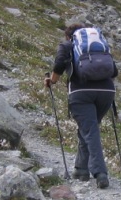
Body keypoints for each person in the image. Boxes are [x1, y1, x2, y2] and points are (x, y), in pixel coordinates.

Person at [45, 22, 117, 188]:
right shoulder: (99, 45)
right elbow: (114, 71)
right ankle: (81, 169)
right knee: (89, 128)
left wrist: (52, 81)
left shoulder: (67, 45)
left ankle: (100, 173)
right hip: (107, 92)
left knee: (90, 129)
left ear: (68, 36)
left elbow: (59, 65)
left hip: (81, 92)